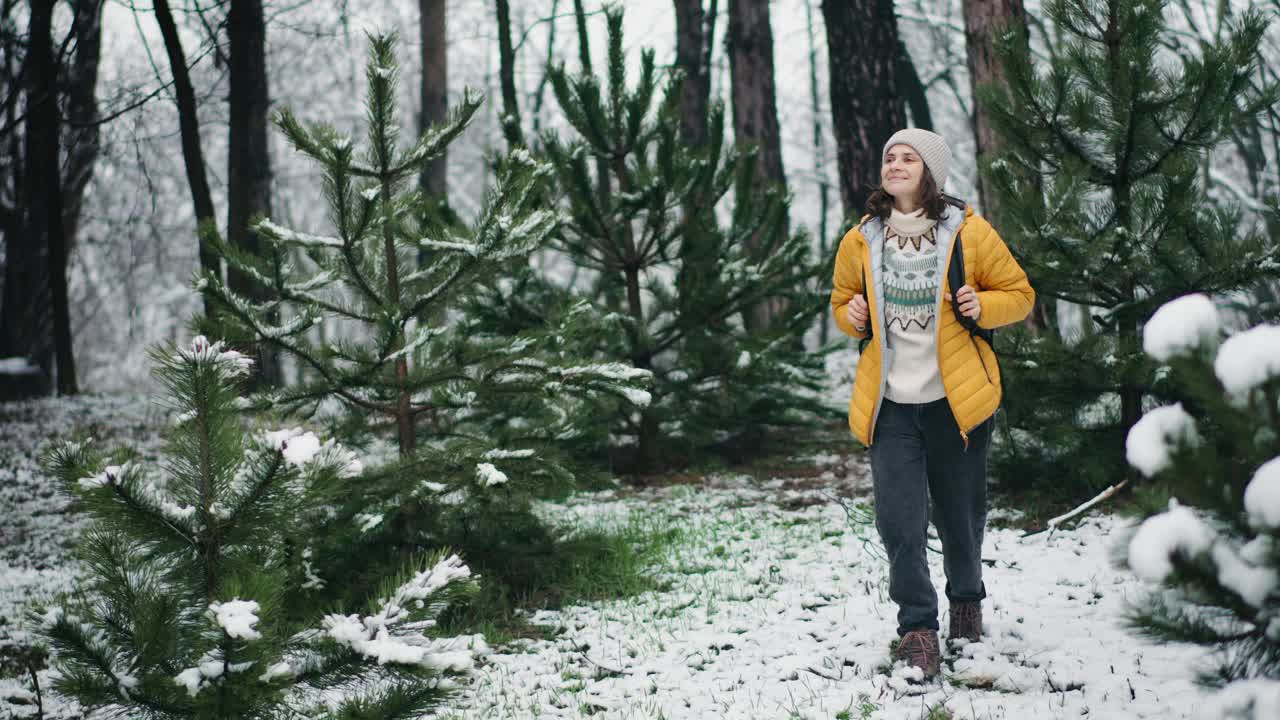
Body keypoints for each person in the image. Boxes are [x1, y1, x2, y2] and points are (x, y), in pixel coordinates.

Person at [829, 129, 1035, 679]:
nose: (895, 164)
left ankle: (966, 603)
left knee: (959, 516)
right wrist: (848, 315)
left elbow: (1020, 296)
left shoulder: (969, 233)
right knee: (899, 521)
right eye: (889, 157)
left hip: (955, 403)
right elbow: (842, 299)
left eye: (908, 158)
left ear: (930, 174)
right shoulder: (862, 238)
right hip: (890, 404)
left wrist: (981, 303)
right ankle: (917, 631)